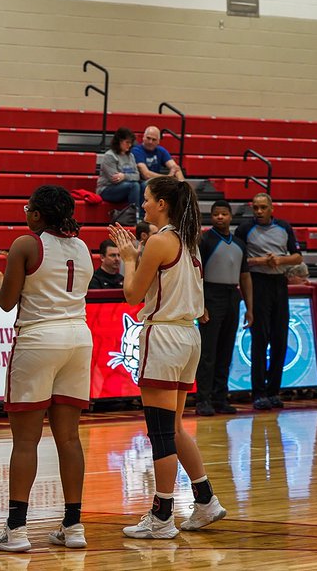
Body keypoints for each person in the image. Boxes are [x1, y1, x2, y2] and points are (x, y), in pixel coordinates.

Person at [108, 176, 228, 539]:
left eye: (146, 199)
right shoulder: (189, 240)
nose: (142, 204)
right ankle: (205, 500)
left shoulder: (161, 241)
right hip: (188, 335)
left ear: (162, 203)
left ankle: (162, 516)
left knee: (160, 431)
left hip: (163, 336)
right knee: (174, 427)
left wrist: (130, 258)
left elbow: (132, 295)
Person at [0, 185, 93, 554]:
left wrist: (0, 282)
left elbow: (7, 301)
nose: (25, 212)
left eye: (28, 207)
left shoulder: (26, 244)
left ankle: (16, 530)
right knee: (70, 438)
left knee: (26, 441)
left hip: (40, 338)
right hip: (79, 338)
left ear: (38, 215)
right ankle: (74, 526)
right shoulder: (82, 246)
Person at [236, 193, 302, 410]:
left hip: (279, 283)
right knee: (259, 338)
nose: (259, 212)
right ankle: (258, 392)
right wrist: (261, 261)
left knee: (280, 339)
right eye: (255, 207)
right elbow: (237, 259)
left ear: (272, 208)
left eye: (263, 207)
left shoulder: (284, 227)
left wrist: (280, 260)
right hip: (257, 283)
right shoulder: (245, 229)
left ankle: (274, 390)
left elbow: (298, 257)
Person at [196, 200, 252, 417]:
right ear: (211, 216)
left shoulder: (239, 243)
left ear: (230, 216)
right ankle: (203, 399)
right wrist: (200, 306)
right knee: (208, 352)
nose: (220, 217)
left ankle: (220, 397)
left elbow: (245, 276)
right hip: (211, 295)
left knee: (226, 351)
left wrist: (249, 307)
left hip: (232, 296)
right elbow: (197, 275)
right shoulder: (205, 240)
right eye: (216, 214)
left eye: (224, 214)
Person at [97, 127, 143, 224]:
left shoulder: (130, 156)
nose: (129, 145)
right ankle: (135, 218)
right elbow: (114, 178)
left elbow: (137, 176)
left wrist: (124, 176)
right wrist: (128, 176)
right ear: (119, 141)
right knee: (134, 185)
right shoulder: (109, 156)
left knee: (143, 185)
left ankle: (142, 216)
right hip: (107, 189)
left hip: (125, 187)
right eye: (127, 142)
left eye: (131, 143)